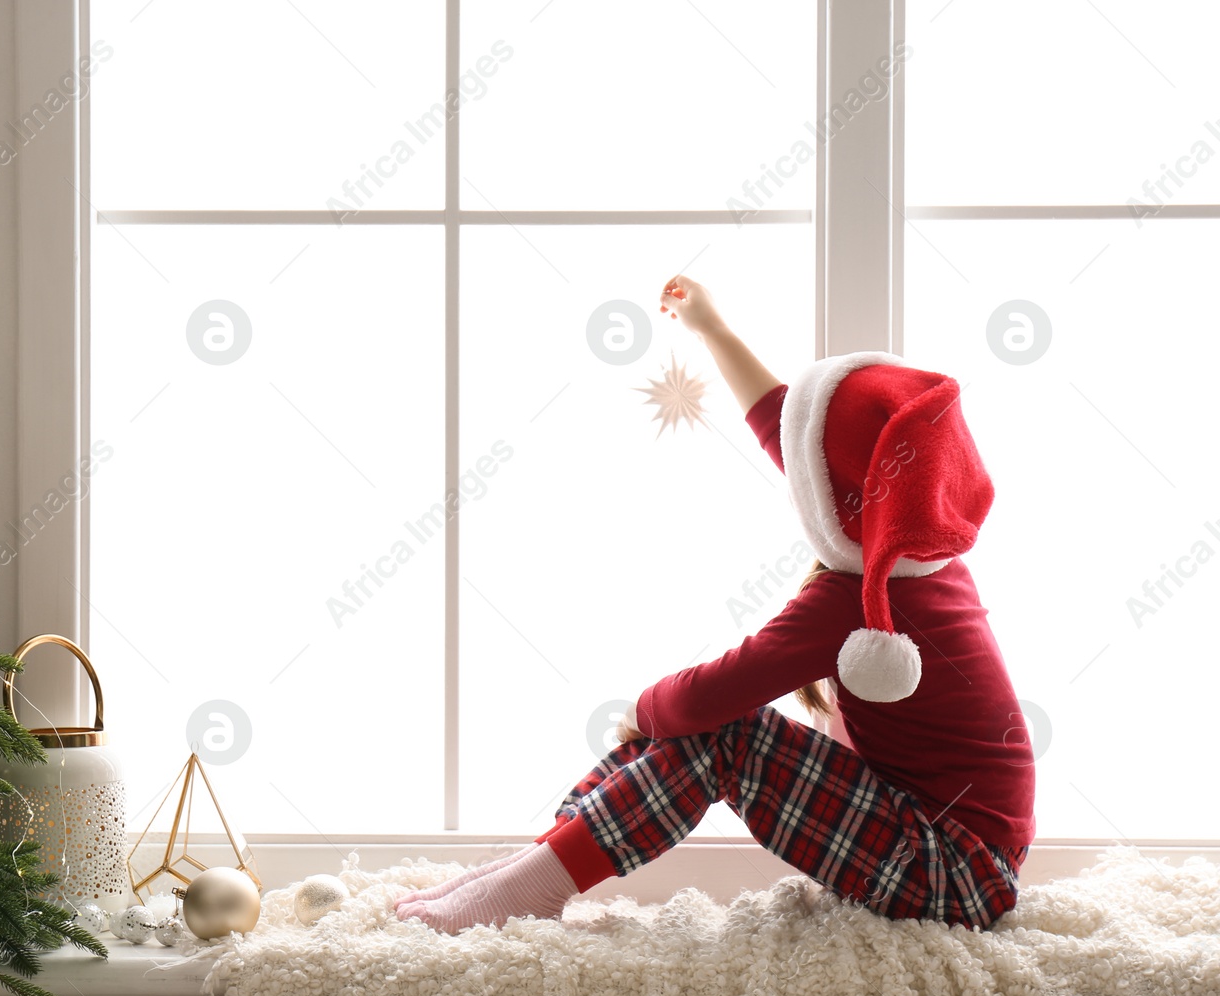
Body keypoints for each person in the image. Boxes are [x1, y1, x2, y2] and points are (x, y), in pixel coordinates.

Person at [394, 276, 1037, 935]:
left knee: (726, 733)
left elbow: (711, 700)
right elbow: (790, 427)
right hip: (953, 847)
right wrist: (711, 328)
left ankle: (535, 880)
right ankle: (534, 868)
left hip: (955, 871)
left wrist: (642, 708)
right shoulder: (909, 546)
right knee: (699, 728)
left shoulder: (853, 599)